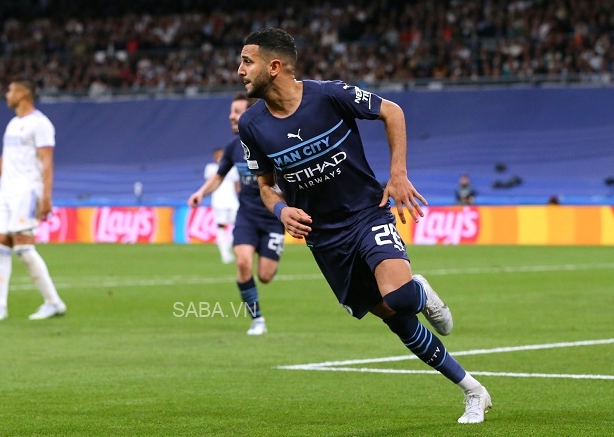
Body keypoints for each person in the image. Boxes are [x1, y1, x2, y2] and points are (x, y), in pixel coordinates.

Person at [236, 28, 491, 423]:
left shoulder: (329, 95)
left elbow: (392, 111)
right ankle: (473, 390)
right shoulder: (252, 125)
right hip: (324, 238)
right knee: (396, 319)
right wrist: (281, 210)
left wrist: (398, 173)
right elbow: (266, 185)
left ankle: (419, 291)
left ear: (274, 66)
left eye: (246, 61)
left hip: (365, 213)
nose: (239, 71)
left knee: (402, 297)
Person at [0, 78, 66, 321]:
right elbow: (4, 160)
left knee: (23, 247)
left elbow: (47, 162)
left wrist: (46, 196)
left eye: (10, 91)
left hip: (27, 192)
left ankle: (53, 302)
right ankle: (0, 306)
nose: (7, 95)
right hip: (6, 192)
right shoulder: (12, 124)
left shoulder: (40, 124)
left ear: (23, 94)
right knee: (1, 244)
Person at [188, 93, 285, 336]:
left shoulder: (273, 143)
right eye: (231, 112)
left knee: (265, 276)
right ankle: (257, 320)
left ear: (251, 115)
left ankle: (267, 256)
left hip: (274, 218)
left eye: (237, 111)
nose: (231, 116)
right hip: (247, 216)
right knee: (242, 263)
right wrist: (201, 193)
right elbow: (219, 176)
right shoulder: (233, 147)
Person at [204, 147, 240, 264]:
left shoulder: (233, 168)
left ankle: (228, 246)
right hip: (218, 201)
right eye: (218, 155)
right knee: (221, 226)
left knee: (238, 225)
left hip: (233, 201)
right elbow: (209, 183)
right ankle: (224, 254)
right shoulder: (211, 168)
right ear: (214, 157)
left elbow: (237, 186)